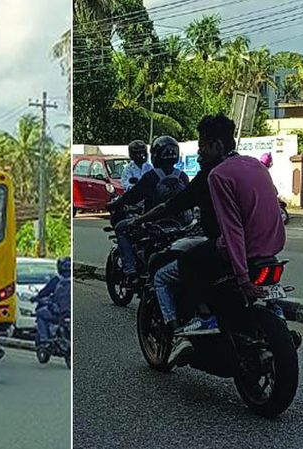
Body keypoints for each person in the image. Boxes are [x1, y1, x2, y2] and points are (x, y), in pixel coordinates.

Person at [137, 114, 285, 365]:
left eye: (203, 145)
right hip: (268, 250)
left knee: (168, 273)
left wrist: (242, 278)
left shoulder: (217, 174)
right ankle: (276, 312)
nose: (199, 151)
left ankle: (191, 328)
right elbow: (276, 209)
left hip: (237, 252)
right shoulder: (256, 165)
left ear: (217, 145)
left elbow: (232, 229)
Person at [107, 136, 189, 285]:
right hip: (181, 225)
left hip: (154, 223)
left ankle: (131, 272)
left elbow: (131, 196)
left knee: (121, 228)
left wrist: (114, 205)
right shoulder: (182, 177)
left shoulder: (151, 176)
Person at [34, 257, 71, 349]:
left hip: (59, 312)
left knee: (40, 314)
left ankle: (44, 340)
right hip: (70, 312)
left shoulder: (57, 280)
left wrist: (36, 298)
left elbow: (44, 292)